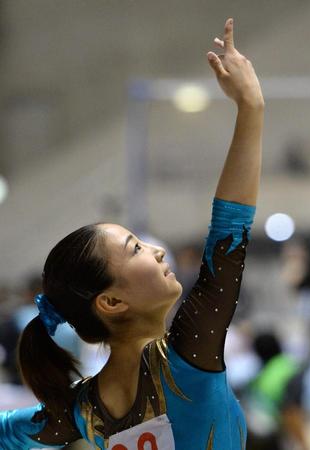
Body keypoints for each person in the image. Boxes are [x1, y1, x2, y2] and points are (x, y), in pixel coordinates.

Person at [0, 17, 264, 450]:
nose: (158, 252)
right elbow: (229, 232)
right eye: (136, 248)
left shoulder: (82, 411)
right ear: (112, 302)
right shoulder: (186, 359)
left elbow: (9, 432)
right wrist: (250, 106)